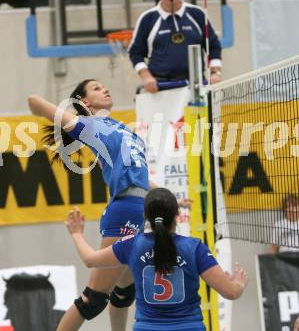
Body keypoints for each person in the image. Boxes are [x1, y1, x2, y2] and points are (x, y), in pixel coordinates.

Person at [28, 79, 149, 331]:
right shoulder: (89, 125)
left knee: (125, 291)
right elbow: (34, 101)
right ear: (84, 102)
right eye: (96, 88)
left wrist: (169, 198)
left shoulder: (120, 129)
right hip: (125, 210)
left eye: (105, 85)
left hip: (139, 207)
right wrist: (57, 110)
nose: (105, 89)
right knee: (93, 299)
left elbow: (143, 175)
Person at [65, 187, 248, 331]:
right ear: (177, 216)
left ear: (145, 216)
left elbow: (90, 260)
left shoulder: (132, 245)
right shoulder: (194, 248)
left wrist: (76, 234)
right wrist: (238, 284)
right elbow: (230, 293)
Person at [128, 0, 222, 93]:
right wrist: (146, 77)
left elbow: (214, 46)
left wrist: (215, 73)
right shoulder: (148, 18)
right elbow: (135, 52)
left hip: (197, 86)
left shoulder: (197, 14)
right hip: (160, 88)